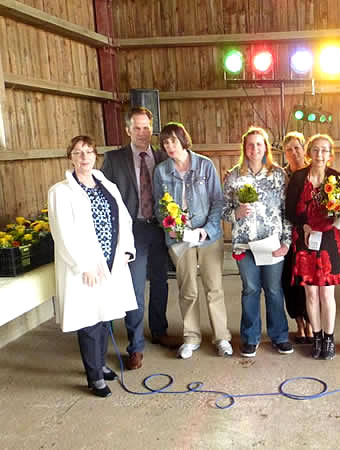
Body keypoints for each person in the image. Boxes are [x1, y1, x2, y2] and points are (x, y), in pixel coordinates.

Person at [48, 136, 137, 398]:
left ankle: (100, 364)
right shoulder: (60, 192)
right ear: (70, 158)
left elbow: (124, 219)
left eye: (88, 151)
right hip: (84, 267)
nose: (84, 157)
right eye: (78, 152)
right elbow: (62, 233)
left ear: (96, 155)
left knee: (103, 316)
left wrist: (126, 250)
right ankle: (94, 376)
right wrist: (82, 265)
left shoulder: (106, 185)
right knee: (88, 320)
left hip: (110, 262)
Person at [101, 107, 176, 371]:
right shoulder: (114, 159)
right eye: (137, 128)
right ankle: (135, 346)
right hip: (132, 230)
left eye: (146, 128)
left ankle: (159, 330)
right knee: (134, 288)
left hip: (160, 228)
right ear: (127, 130)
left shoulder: (163, 156)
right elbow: (105, 198)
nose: (142, 133)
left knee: (160, 282)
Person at [153, 123, 232, 359]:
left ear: (183, 140)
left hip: (207, 238)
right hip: (179, 238)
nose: (170, 146)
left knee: (214, 288)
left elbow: (217, 202)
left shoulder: (205, 165)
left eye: (173, 141)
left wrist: (207, 230)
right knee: (188, 289)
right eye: (165, 143)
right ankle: (191, 337)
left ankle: (222, 337)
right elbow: (159, 207)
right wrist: (171, 227)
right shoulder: (161, 171)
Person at [222, 126, 293, 358]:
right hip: (244, 245)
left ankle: (279, 336)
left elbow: (286, 211)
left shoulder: (278, 175)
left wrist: (286, 242)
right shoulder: (233, 176)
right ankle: (250, 337)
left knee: (273, 290)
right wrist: (236, 213)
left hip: (272, 244)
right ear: (245, 148)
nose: (255, 149)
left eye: (259, 144)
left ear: (266, 148)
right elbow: (223, 210)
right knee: (250, 289)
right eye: (250, 145)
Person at [286, 134, 340, 360]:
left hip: (328, 241)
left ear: (330, 154)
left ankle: (329, 339)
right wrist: (303, 225)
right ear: (309, 152)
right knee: (311, 294)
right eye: (315, 150)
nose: (320, 154)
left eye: (324, 150)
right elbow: (289, 210)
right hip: (306, 241)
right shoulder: (298, 177)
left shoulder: (336, 177)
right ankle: (317, 337)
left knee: (327, 293)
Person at [281, 131, 313, 344]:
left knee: (307, 281)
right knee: (289, 281)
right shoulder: (280, 175)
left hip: (309, 235)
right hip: (285, 235)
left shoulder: (314, 172)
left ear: (304, 149)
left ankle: (311, 322)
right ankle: (299, 323)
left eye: (297, 148)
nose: (294, 153)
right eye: (289, 150)